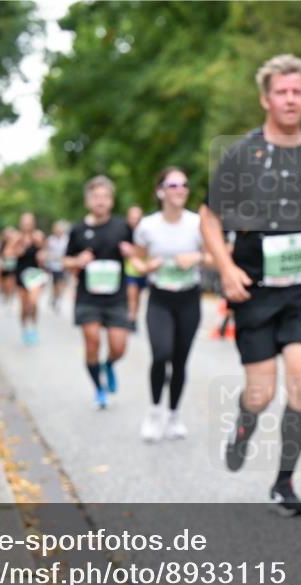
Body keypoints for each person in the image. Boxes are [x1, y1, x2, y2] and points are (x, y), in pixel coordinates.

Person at [200, 54, 301, 516]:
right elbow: (209, 217)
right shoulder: (242, 154)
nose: (290, 99)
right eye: (281, 92)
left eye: (297, 92)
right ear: (265, 99)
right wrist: (226, 268)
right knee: (260, 394)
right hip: (253, 288)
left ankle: (284, 482)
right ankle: (244, 425)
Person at [130, 167, 209, 441]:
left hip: (188, 297)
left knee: (180, 360)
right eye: (173, 185)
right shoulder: (147, 225)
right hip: (160, 298)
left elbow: (216, 256)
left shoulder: (197, 223)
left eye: (184, 185)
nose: (180, 190)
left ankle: (174, 415)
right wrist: (145, 266)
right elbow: (136, 259)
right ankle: (154, 413)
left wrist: (197, 258)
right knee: (161, 353)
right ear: (160, 191)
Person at [64, 176, 135, 409]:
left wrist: (131, 252)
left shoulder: (122, 227)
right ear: (87, 201)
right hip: (88, 297)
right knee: (92, 341)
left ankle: (109, 365)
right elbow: (65, 261)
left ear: (112, 201)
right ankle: (99, 388)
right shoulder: (78, 229)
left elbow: (139, 253)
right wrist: (78, 260)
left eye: (105, 197)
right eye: (95, 197)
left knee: (118, 347)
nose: (100, 201)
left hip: (116, 297)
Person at [13, 213, 48, 343]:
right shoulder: (16, 237)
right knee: (24, 306)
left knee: (33, 302)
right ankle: (24, 328)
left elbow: (45, 251)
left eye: (29, 221)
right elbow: (8, 252)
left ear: (33, 223)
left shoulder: (39, 236)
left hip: (35, 274)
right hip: (21, 273)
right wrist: (19, 250)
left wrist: (43, 255)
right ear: (20, 223)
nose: (27, 224)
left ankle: (33, 327)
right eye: (25, 221)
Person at [124, 205, 147, 330]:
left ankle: (134, 316)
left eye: (137, 218)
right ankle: (131, 318)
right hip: (129, 270)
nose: (134, 220)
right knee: (131, 295)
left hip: (143, 269)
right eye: (132, 218)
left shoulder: (145, 232)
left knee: (137, 296)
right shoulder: (123, 232)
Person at [46, 220, 71, 311]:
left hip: (63, 265)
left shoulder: (66, 240)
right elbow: (46, 252)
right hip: (53, 265)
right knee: (55, 284)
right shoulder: (50, 240)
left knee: (61, 283)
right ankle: (54, 296)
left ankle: (58, 298)